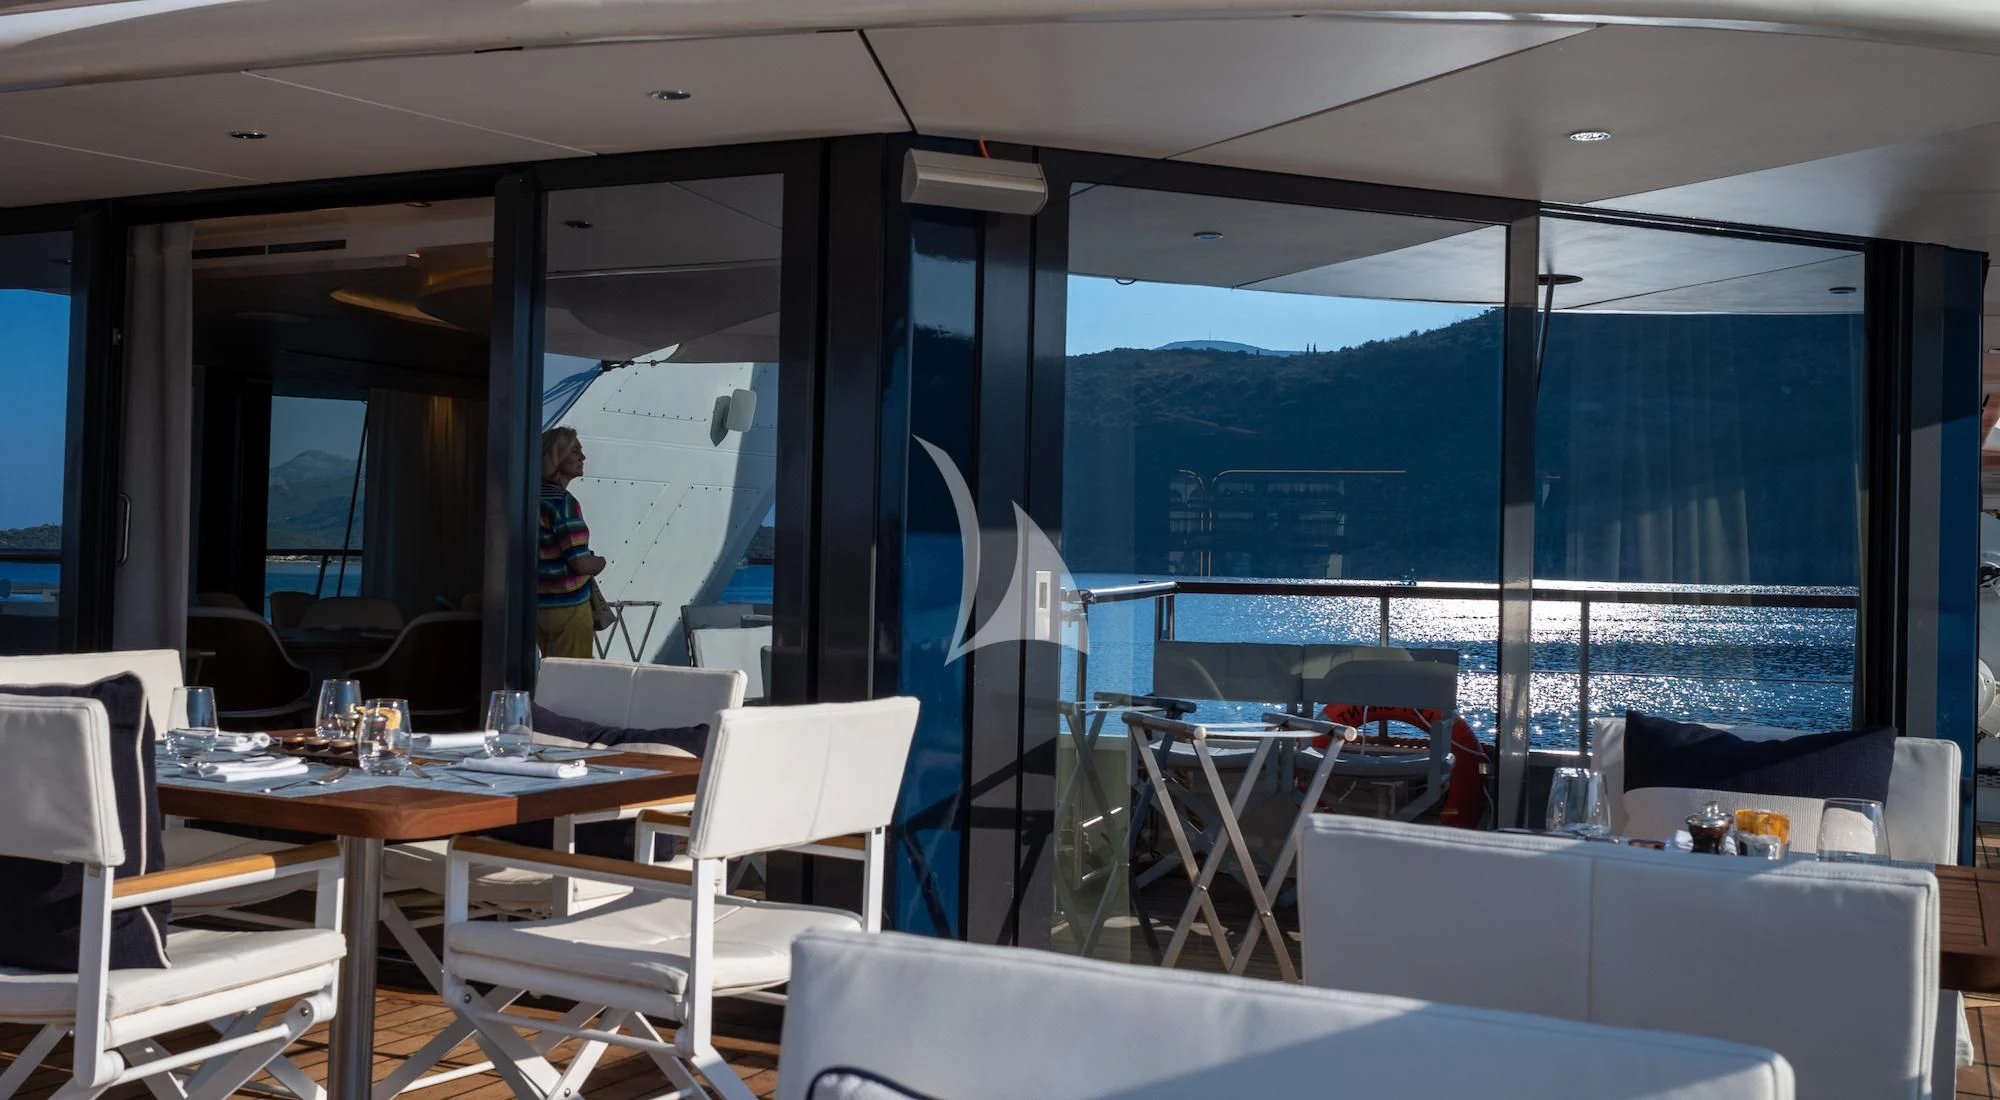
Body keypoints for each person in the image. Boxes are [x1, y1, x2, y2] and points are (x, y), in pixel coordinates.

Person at [537, 427, 606, 659]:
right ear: (556, 457)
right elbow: (581, 563)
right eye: (575, 451)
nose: (582, 457)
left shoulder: (532, 497)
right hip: (567, 608)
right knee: (571, 680)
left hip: (538, 605)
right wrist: (600, 561)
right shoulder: (563, 503)